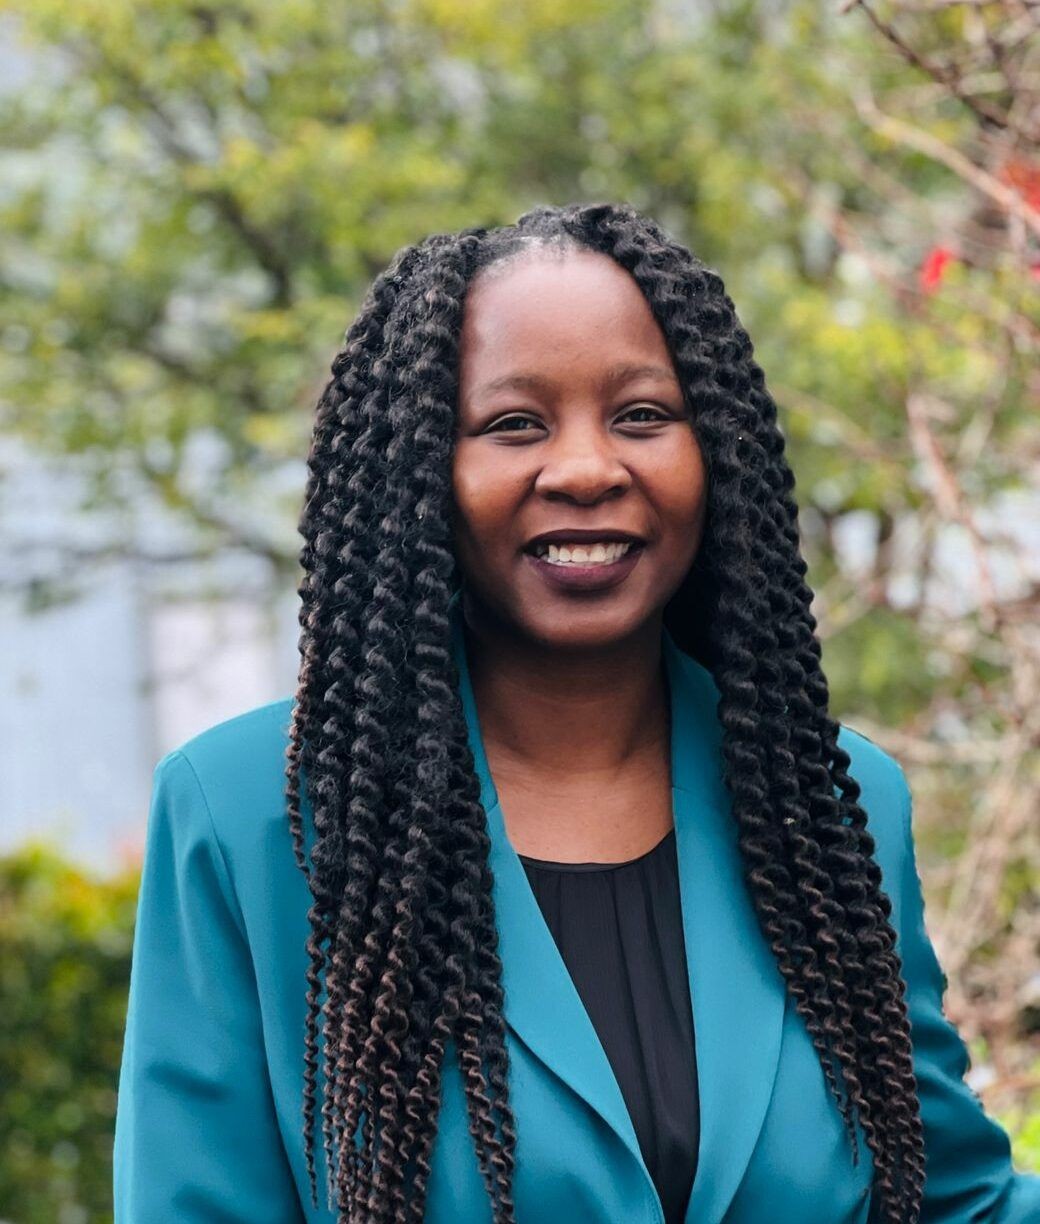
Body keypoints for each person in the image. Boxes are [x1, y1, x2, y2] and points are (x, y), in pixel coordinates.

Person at [113, 201, 1040, 1224]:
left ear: (714, 451)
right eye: (514, 424)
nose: (589, 469)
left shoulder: (830, 803)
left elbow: (950, 1201)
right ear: (420, 469)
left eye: (641, 415)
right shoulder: (253, 818)